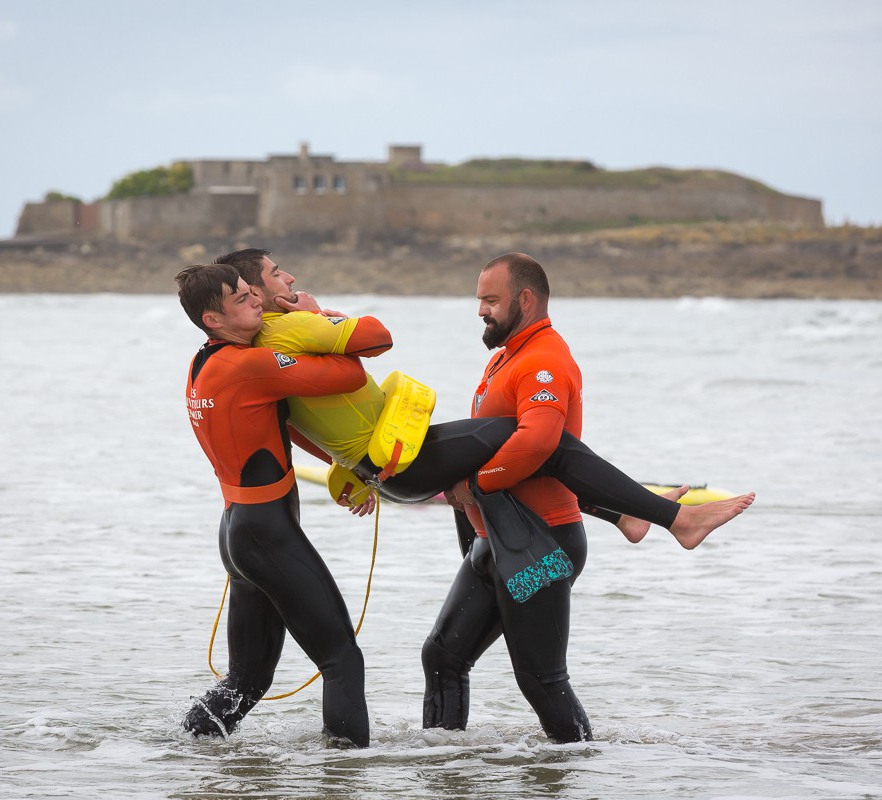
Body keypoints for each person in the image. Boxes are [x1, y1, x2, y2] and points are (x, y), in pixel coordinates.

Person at [421, 252, 755, 742]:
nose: (480, 311)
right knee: (443, 657)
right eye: (479, 300)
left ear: (526, 299)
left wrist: (472, 486)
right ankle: (444, 768)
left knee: (541, 680)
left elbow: (539, 445)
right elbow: (513, 452)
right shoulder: (505, 357)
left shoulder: (545, 360)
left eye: (491, 300)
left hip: (543, 544)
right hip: (497, 540)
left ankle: (579, 769)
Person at [213, 248, 751, 549]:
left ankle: (623, 517)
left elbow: (298, 425)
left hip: (388, 465)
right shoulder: (286, 333)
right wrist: (319, 312)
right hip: (404, 462)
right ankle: (670, 519)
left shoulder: (255, 358)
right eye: (278, 271)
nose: (291, 274)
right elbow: (372, 341)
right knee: (542, 441)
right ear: (254, 292)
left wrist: (354, 470)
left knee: (446, 655)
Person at [174, 262, 392, 748]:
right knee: (341, 659)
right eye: (241, 300)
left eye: (253, 292)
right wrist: (318, 317)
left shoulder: (202, 363)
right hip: (267, 533)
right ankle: (345, 776)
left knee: (247, 682)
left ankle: (180, 751)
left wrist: (353, 469)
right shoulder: (250, 365)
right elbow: (350, 374)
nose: (256, 301)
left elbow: (284, 423)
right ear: (214, 320)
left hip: (238, 531)